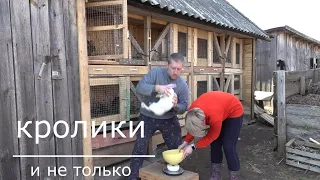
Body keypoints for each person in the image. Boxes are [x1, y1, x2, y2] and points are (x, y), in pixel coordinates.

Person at [128, 53, 189, 180]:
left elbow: (184, 107)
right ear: (167, 65)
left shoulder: (182, 84)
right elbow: (140, 88)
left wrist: (176, 105)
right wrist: (157, 88)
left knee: (176, 147)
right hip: (148, 116)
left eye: (179, 69)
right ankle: (133, 177)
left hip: (169, 119)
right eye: (173, 68)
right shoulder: (155, 73)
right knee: (140, 147)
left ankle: (172, 174)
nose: (175, 72)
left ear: (182, 68)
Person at [178, 91, 244, 180]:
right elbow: (193, 127)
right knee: (215, 144)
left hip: (234, 110)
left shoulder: (214, 115)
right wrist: (185, 143)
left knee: (228, 146)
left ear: (204, 124)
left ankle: (234, 177)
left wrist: (193, 146)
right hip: (218, 108)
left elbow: (212, 136)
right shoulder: (192, 113)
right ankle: (216, 175)